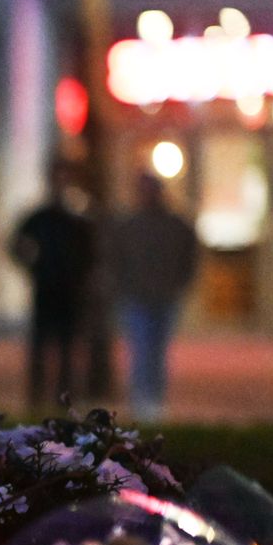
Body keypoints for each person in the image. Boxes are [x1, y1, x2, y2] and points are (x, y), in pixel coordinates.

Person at [103, 173, 200, 424]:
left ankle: (155, 403)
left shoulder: (175, 225)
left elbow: (190, 257)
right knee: (140, 350)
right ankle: (141, 403)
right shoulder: (128, 225)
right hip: (135, 298)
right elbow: (114, 259)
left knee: (157, 352)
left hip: (165, 298)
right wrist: (121, 286)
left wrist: (180, 284)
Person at [8, 162, 96, 409]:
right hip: (45, 290)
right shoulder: (40, 218)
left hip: (70, 293)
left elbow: (91, 254)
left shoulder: (77, 221)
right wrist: (33, 268)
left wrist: (81, 276)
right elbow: (15, 245)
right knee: (39, 347)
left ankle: (64, 399)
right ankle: (36, 398)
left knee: (68, 350)